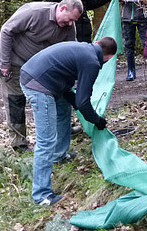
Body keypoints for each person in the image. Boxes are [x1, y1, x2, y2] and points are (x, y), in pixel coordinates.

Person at [20, 37, 117, 206]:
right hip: (38, 85)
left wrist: (80, 107)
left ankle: (59, 155)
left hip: (41, 76)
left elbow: (69, 90)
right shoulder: (92, 62)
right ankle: (41, 195)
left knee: (64, 109)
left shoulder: (85, 49)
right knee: (46, 140)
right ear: (108, 58)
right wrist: (97, 120)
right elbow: (83, 101)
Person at [0, 0, 83, 151]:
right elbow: (6, 31)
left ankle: (62, 131)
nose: (70, 24)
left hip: (43, 70)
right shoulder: (33, 12)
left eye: (73, 21)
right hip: (16, 64)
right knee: (15, 102)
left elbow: (70, 49)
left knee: (58, 97)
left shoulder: (70, 26)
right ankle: (19, 144)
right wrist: (4, 64)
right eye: (69, 19)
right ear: (62, 8)